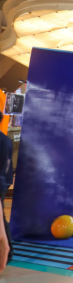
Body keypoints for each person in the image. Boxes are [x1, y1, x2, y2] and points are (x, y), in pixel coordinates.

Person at [0, 112, 12, 267]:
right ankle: (7, 251)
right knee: (1, 217)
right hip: (2, 183)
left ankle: (7, 250)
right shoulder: (6, 140)